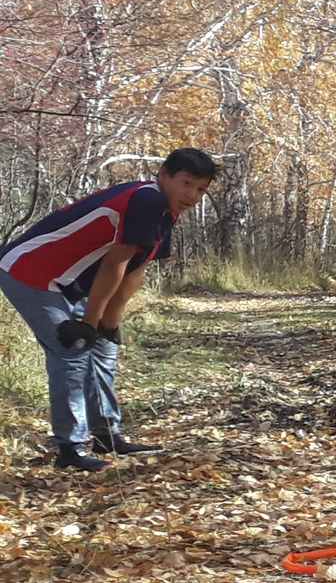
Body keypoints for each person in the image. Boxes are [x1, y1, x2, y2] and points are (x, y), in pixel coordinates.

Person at [1, 150, 219, 470]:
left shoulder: (166, 212)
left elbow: (134, 269)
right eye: (186, 183)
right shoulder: (146, 199)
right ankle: (70, 449)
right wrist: (89, 323)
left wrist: (107, 324)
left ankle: (106, 435)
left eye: (201, 189)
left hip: (69, 283)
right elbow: (114, 263)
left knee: (104, 347)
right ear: (163, 175)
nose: (192, 195)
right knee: (73, 348)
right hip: (28, 270)